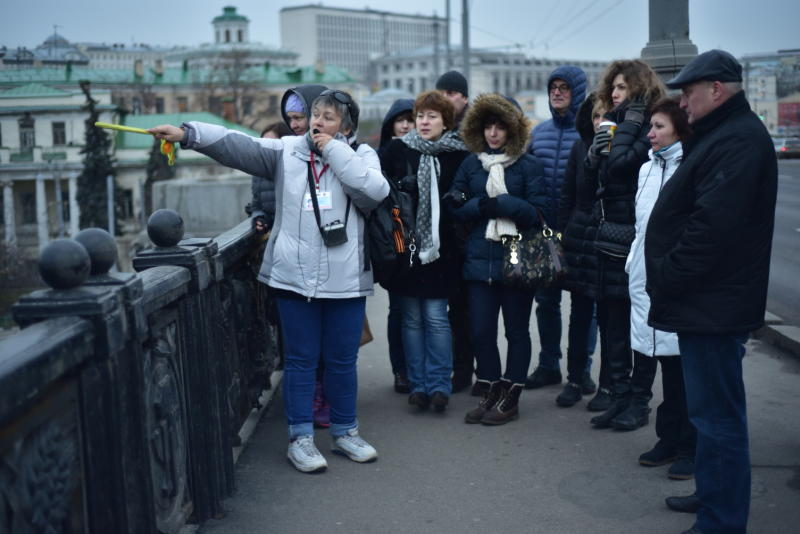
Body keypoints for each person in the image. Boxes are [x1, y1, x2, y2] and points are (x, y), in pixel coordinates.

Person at [149, 89, 390, 474]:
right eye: (315, 116)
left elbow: (375, 190)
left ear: (346, 126)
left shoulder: (361, 155)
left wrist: (333, 150)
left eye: (328, 118)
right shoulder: (287, 152)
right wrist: (188, 133)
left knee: (343, 361)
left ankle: (346, 433)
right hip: (294, 278)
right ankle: (301, 439)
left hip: (346, 279)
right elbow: (236, 145)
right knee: (300, 361)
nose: (316, 123)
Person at [646, 50, 777, 534]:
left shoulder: (738, 140)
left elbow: (711, 230)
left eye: (688, 92)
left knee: (719, 419)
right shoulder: (722, 133)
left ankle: (722, 522)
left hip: (714, 303)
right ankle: (712, 496)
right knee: (708, 416)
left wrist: (667, 272)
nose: (682, 102)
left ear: (716, 89)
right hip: (706, 301)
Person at [446, 93, 547, 425]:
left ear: (512, 130)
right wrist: (478, 205)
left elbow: (540, 212)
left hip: (516, 256)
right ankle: (489, 388)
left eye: (500, 126)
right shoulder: (471, 163)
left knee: (517, 331)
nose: (493, 133)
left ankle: (511, 395)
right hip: (478, 260)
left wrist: (503, 204)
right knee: (481, 331)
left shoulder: (529, 165)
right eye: (488, 126)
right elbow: (456, 208)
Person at [584, 59, 666, 431]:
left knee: (639, 327)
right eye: (612, 88)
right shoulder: (613, 124)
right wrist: (592, 153)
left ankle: (638, 401)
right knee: (612, 322)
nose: (614, 94)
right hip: (607, 236)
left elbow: (621, 167)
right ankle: (617, 396)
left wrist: (627, 126)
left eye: (621, 87)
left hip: (634, 238)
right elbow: (593, 181)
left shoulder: (645, 124)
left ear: (637, 87)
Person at [379, 90, 469, 412]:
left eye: (432, 116)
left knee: (435, 317)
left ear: (446, 121)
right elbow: (380, 194)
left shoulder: (459, 154)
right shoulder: (396, 151)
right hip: (407, 249)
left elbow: (467, 196)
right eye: (420, 116)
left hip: (442, 251)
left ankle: (439, 385)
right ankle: (418, 386)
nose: (424, 121)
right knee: (412, 319)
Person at [627, 96, 696, 479]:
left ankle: (690, 445)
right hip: (645, 278)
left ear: (679, 130)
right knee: (664, 362)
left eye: (658, 127)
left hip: (674, 280)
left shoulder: (690, 167)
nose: (649, 134)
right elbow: (643, 229)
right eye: (650, 126)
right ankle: (669, 439)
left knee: (684, 366)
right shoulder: (647, 169)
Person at [524, 66, 597, 397]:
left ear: (578, 91)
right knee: (547, 301)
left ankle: (580, 372)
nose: (557, 92)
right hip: (544, 232)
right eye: (553, 87)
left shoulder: (591, 133)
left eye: (564, 87)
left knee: (585, 304)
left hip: (580, 233)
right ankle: (549, 365)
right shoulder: (537, 133)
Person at [554, 93, 608, 410]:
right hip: (580, 241)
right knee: (580, 314)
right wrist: (563, 237)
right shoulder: (580, 147)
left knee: (611, 318)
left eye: (606, 115)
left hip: (611, 242)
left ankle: (608, 385)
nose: (600, 121)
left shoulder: (625, 149)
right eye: (596, 115)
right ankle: (575, 380)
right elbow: (568, 196)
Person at [435, 69, 475, 393]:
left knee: (473, 309)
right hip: (444, 233)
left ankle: (474, 370)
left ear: (464, 97)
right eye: (442, 94)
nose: (448, 99)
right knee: (452, 309)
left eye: (453, 94)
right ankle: (458, 370)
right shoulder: (435, 132)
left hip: (470, 231)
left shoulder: (474, 131)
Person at [377, 98, 415, 394]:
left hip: (422, 240)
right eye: (400, 119)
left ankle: (420, 368)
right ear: (390, 124)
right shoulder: (381, 156)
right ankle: (401, 370)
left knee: (427, 311)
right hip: (395, 243)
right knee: (399, 309)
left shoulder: (425, 152)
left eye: (410, 119)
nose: (405, 125)